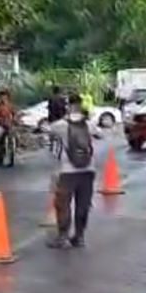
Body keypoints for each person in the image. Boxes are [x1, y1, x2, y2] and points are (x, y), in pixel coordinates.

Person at [44, 93, 103, 248]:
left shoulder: (61, 125)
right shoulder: (89, 124)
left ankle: (62, 236)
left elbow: (47, 130)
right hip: (88, 169)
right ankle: (79, 236)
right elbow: (100, 134)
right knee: (83, 204)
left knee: (62, 203)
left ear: (68, 106)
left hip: (67, 171)